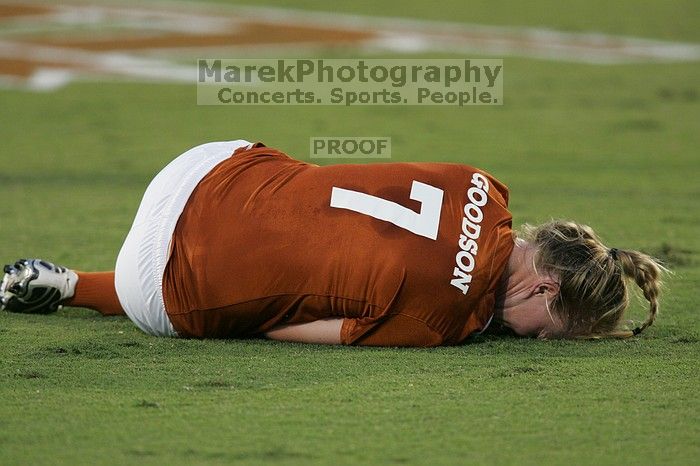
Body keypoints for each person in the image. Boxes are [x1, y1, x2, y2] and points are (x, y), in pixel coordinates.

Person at [0, 140, 666, 346]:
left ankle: (69, 285)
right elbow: (292, 328)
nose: (534, 340)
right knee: (248, 301)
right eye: (552, 332)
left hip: (208, 163)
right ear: (547, 288)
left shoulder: (483, 183)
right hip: (158, 288)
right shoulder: (446, 322)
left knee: (298, 220)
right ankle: (90, 285)